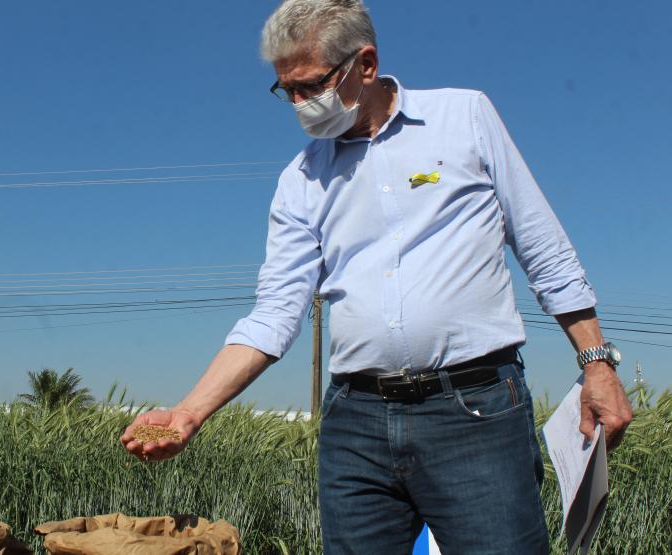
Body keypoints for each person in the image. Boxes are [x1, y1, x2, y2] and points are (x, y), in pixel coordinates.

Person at [120, 1, 633, 552]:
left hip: (475, 411)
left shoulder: (465, 118)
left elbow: (544, 250)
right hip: (356, 424)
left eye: (310, 85)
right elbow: (273, 314)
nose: (298, 104)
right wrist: (190, 411)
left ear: (365, 64)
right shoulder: (302, 179)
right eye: (285, 90)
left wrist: (596, 364)